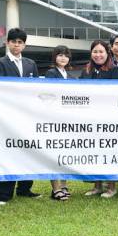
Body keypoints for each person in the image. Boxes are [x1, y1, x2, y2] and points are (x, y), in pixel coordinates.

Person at [0, 27, 41, 205]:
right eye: (13, 42)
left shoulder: (30, 63)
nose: (16, 45)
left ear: (24, 45)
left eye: (20, 42)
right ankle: (3, 193)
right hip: (8, 115)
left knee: (28, 150)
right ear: (7, 43)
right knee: (9, 152)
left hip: (28, 115)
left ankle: (24, 188)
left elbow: (36, 88)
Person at [79, 40, 118, 197]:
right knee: (93, 151)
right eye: (95, 52)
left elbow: (117, 94)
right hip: (90, 118)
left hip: (109, 118)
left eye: (101, 51)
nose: (98, 55)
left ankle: (111, 187)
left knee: (109, 152)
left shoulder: (115, 70)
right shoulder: (86, 70)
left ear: (107, 53)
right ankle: (97, 186)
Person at [44, 45, 73, 201]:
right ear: (55, 57)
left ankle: (64, 185)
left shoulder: (70, 76)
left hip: (67, 120)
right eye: (60, 55)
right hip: (54, 118)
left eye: (66, 55)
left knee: (65, 153)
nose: (63, 58)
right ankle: (56, 189)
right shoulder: (51, 73)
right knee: (54, 154)